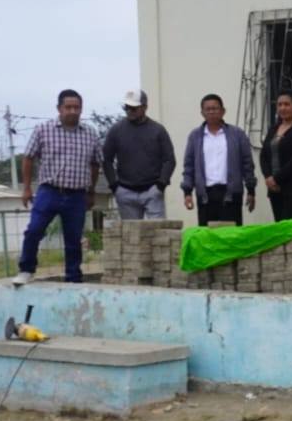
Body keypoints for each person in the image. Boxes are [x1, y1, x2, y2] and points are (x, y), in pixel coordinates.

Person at [15, 89, 101, 285]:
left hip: (77, 194)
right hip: (49, 191)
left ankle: (73, 277)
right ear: (59, 108)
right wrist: (26, 187)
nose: (72, 111)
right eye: (68, 107)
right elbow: (28, 157)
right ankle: (26, 269)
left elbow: (96, 163)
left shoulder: (90, 133)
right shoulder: (43, 130)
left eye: (76, 107)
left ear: (81, 109)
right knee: (34, 230)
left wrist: (91, 191)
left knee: (74, 240)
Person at [181, 94, 257, 226]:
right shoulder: (195, 136)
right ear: (202, 113)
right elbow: (189, 166)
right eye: (208, 109)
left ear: (223, 111)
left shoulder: (237, 134)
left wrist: (251, 190)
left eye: (215, 108)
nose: (211, 112)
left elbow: (247, 163)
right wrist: (187, 193)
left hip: (231, 194)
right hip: (205, 195)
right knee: (207, 234)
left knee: (231, 234)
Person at [101, 89, 176, 220]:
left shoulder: (158, 130)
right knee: (131, 232)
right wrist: (114, 185)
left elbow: (169, 160)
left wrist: (161, 184)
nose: (129, 111)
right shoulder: (116, 130)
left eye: (134, 108)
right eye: (127, 107)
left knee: (158, 231)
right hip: (125, 192)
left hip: (152, 190)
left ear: (144, 107)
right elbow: (106, 159)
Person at [260, 88, 292, 220]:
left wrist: (276, 178)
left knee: (290, 226)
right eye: (279, 104)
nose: (282, 108)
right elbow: (264, 155)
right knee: (279, 226)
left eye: (287, 104)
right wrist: (268, 177)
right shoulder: (273, 129)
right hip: (274, 189)